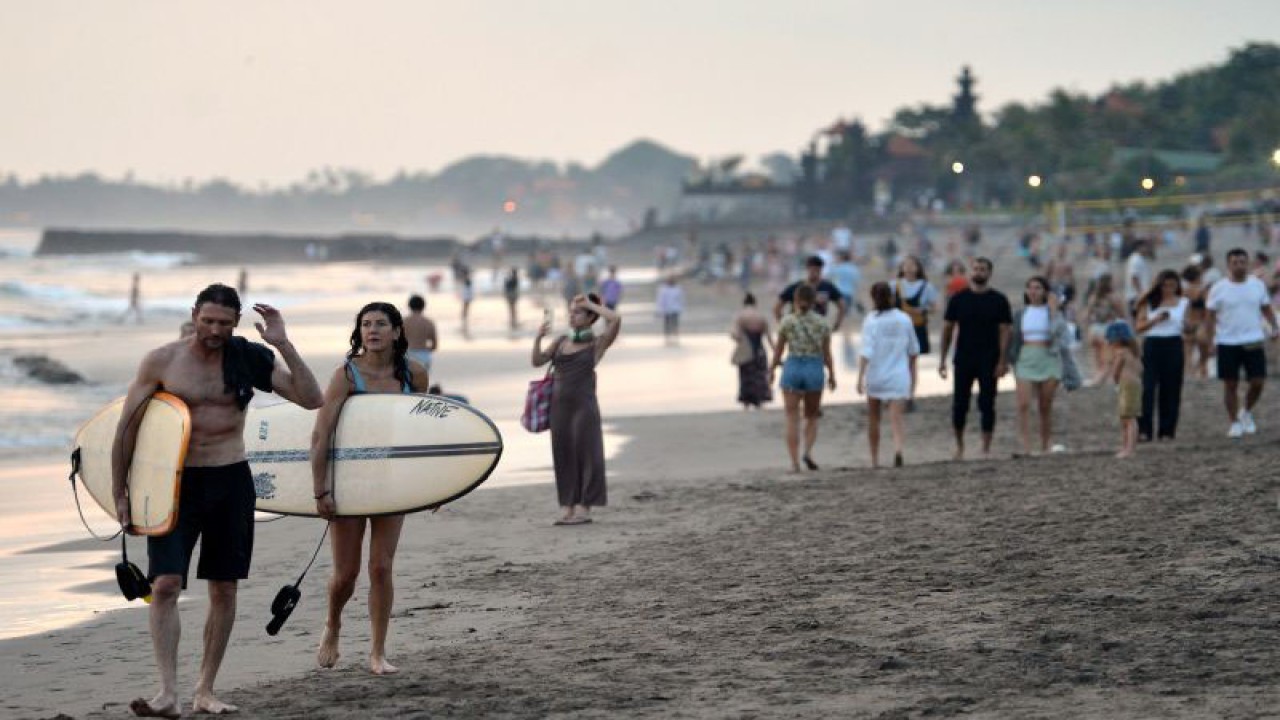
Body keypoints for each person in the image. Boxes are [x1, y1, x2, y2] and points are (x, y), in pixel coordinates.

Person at [111, 284, 323, 718]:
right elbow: (126, 430)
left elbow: (310, 398)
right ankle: (167, 693)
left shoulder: (247, 358)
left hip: (230, 480)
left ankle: (204, 690)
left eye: (224, 323)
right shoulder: (162, 361)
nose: (214, 330)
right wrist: (121, 491)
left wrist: (283, 343)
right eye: (207, 320)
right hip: (174, 484)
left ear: (237, 323)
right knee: (165, 584)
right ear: (194, 314)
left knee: (223, 587)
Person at [312, 302, 431, 676]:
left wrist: (436, 485)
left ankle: (377, 652)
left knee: (381, 567)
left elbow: (423, 433)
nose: (372, 330)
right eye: (365, 324)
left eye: (381, 324)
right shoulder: (346, 375)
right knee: (346, 574)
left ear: (397, 331)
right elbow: (321, 434)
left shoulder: (414, 374)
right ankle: (333, 623)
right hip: (349, 479)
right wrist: (320, 490)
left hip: (391, 479)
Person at [531, 293, 621, 525]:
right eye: (571, 311)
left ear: (590, 317)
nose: (572, 315)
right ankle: (569, 507)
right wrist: (538, 338)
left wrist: (590, 303)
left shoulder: (596, 343)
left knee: (588, 455)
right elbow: (537, 361)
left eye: (578, 312)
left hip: (584, 407)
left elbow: (616, 319)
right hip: (559, 408)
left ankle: (584, 507)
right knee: (563, 456)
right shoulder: (561, 341)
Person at [939, 257, 1013, 459]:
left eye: (983, 269)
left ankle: (985, 447)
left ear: (989, 273)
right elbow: (947, 328)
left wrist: (1003, 361)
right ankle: (959, 446)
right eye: (976, 269)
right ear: (970, 272)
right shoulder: (958, 299)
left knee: (987, 403)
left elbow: (1005, 331)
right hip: (963, 358)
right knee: (960, 404)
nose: (979, 272)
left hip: (989, 359)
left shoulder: (999, 300)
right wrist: (942, 359)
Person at [1206, 248, 1280, 438]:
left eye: (1242, 262)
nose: (1239, 266)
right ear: (1228, 265)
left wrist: (1274, 327)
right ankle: (1234, 422)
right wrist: (1210, 341)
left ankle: (1246, 411)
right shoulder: (1218, 288)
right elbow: (1210, 317)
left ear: (1247, 263)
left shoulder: (1257, 285)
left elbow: (1266, 308)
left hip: (1253, 339)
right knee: (1230, 384)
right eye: (1235, 262)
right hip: (1227, 341)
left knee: (1258, 381)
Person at [1007, 276, 1078, 456]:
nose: (1033, 291)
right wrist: (1007, 360)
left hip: (1048, 358)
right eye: (1030, 288)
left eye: (1038, 288)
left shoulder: (1053, 313)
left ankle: (1046, 443)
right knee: (1023, 404)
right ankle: (1026, 446)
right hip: (1026, 358)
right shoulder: (1020, 313)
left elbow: (1063, 337)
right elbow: (1013, 339)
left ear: (1045, 292)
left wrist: (1054, 312)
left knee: (1045, 405)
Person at [769, 284, 836, 472]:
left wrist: (772, 370)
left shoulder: (786, 321)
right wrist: (832, 375)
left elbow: (779, 349)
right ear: (814, 301)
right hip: (814, 368)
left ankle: (794, 462)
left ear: (795, 301)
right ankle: (807, 451)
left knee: (791, 417)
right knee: (812, 416)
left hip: (793, 367)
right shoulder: (823, 323)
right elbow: (827, 353)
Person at [857, 282, 919, 468]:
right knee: (896, 418)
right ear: (892, 297)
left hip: (876, 375)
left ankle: (874, 459)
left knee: (874, 418)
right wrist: (909, 370)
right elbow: (914, 350)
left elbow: (866, 351)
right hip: (898, 375)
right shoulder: (904, 319)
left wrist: (859, 377)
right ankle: (898, 449)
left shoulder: (871, 320)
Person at [1134, 270, 1188, 441]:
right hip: (1153, 344)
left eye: (1173, 286)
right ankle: (1144, 430)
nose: (1169, 289)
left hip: (1173, 343)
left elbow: (1189, 325)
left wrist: (1188, 326)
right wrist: (1155, 320)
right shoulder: (1149, 302)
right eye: (1165, 285)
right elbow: (1139, 327)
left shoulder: (1183, 303)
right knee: (1147, 388)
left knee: (1171, 388)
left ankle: (1167, 430)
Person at [1093, 321, 1143, 459]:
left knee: (1128, 419)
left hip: (1126, 385)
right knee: (1128, 418)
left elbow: (1115, 371)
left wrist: (1115, 381)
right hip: (1134, 385)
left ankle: (1129, 448)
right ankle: (1127, 446)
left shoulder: (1121, 353)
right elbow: (1140, 369)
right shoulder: (1134, 353)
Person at [773, 255, 847, 331]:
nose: (815, 273)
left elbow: (842, 305)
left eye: (817, 271)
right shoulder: (796, 287)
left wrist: (837, 324)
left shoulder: (827, 287)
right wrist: (784, 326)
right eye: (812, 270)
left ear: (821, 270)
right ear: (807, 269)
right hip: (797, 329)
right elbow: (777, 307)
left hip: (817, 329)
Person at [730, 293, 773, 410]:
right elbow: (769, 337)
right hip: (759, 349)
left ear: (744, 303)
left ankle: (746, 403)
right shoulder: (761, 316)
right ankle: (759, 401)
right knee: (760, 375)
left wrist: (741, 342)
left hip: (746, 350)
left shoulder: (741, 316)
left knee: (745, 376)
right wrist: (775, 351)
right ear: (755, 303)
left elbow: (734, 334)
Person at [1083, 273, 1125, 372]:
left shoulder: (1093, 298)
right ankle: (1102, 379)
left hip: (1094, 329)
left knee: (1097, 356)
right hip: (1106, 329)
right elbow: (1122, 315)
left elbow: (1086, 316)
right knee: (1108, 358)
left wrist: (1086, 328)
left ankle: (1097, 376)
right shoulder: (1112, 298)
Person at [1180, 265, 1211, 378]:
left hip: (1187, 323)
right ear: (1198, 277)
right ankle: (1202, 371)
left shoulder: (1183, 291)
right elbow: (1209, 309)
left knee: (1187, 353)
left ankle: (1190, 374)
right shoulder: (1203, 290)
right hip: (1200, 323)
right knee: (1204, 353)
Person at [403, 294, 438, 372]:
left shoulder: (404, 322)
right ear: (423, 306)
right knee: (423, 382)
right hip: (423, 355)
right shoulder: (429, 322)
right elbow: (434, 345)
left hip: (408, 354)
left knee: (407, 382)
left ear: (409, 306)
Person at [1125, 239, 1153, 315]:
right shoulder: (1135, 259)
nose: (1147, 248)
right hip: (1136, 296)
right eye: (1146, 246)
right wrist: (1140, 293)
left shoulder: (1141, 259)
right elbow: (1134, 278)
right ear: (1139, 247)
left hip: (1142, 295)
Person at [655, 275, 685, 346]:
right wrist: (659, 309)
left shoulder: (677, 289)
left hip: (673, 309)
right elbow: (661, 300)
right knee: (669, 324)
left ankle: (673, 337)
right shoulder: (665, 289)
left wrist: (659, 309)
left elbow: (681, 299)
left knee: (672, 324)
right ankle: (669, 337)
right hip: (669, 309)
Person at [459, 272, 474, 338]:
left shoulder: (467, 281)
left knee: (464, 310)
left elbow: (466, 289)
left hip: (466, 298)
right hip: (467, 297)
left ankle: (464, 322)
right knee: (465, 310)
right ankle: (464, 321)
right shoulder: (468, 281)